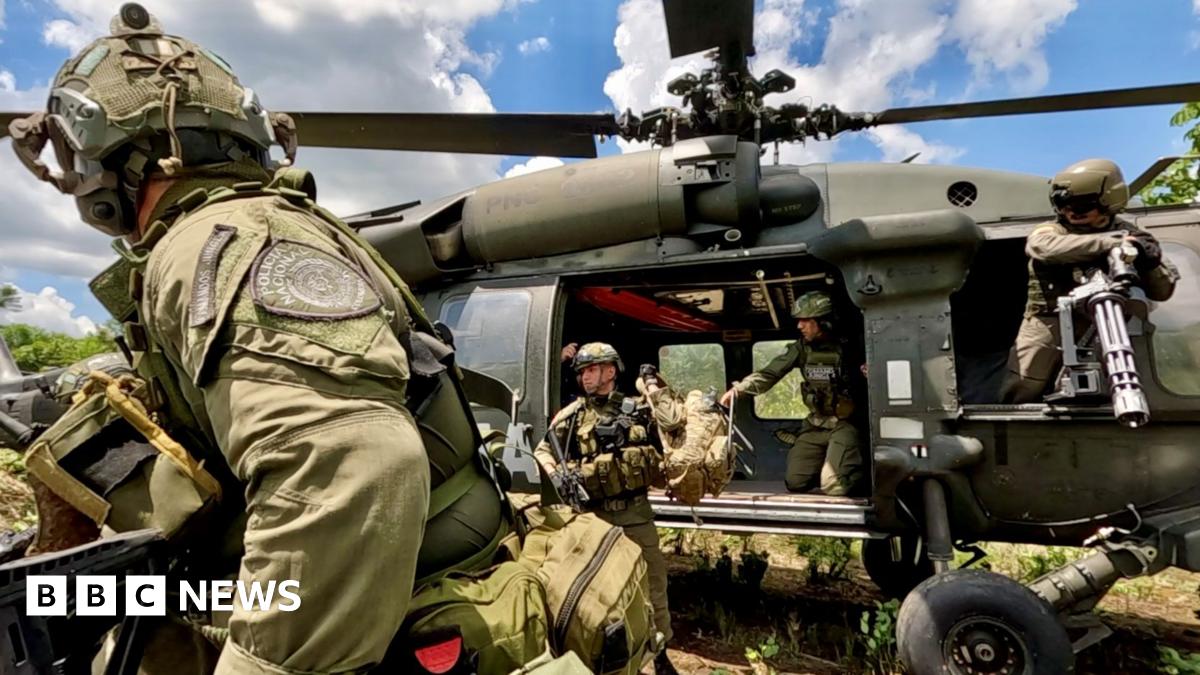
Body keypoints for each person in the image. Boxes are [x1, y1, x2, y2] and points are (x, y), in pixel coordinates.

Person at [8, 6, 447, 673]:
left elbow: (354, 467)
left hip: (377, 611)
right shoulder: (243, 235)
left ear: (103, 161)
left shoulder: (225, 244)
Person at [533, 342, 684, 675]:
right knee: (593, 592)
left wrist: (654, 390)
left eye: (591, 370)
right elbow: (543, 449)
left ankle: (660, 654)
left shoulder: (640, 410)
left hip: (636, 515)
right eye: (582, 372)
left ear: (610, 371)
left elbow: (673, 437)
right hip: (594, 520)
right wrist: (559, 475)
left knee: (654, 588)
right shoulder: (572, 417)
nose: (584, 377)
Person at [1001, 158, 1180, 404]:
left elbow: (1162, 290)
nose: (1072, 211)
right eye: (1064, 205)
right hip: (1049, 317)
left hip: (1109, 316)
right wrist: (1114, 243)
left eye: (1083, 205)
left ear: (1109, 203)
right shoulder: (1053, 231)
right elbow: (1042, 247)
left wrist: (1147, 261)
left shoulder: (1134, 235)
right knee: (1025, 380)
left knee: (1122, 370)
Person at [719, 291, 865, 496]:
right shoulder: (802, 349)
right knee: (795, 483)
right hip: (815, 425)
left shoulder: (853, 346)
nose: (799, 326)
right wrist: (739, 389)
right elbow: (770, 373)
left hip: (845, 425)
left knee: (834, 487)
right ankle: (829, 468)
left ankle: (860, 475)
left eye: (805, 320)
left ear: (824, 322)